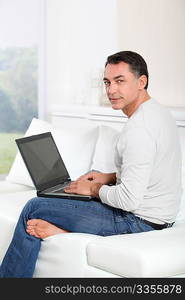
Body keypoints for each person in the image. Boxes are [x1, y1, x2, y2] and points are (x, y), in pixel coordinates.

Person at [0, 51, 182, 278]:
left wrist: (94, 189)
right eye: (107, 82)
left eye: (120, 81)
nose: (111, 90)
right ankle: (63, 232)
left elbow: (128, 200)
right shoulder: (158, 113)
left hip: (138, 222)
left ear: (141, 82)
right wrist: (107, 177)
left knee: (34, 208)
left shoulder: (139, 130)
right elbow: (151, 169)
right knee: (59, 200)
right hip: (161, 218)